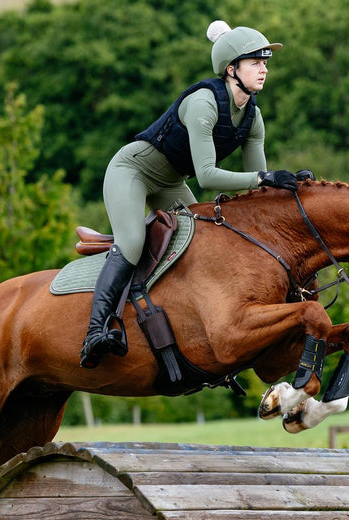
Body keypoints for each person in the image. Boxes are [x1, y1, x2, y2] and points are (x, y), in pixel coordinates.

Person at [79, 20, 303, 369]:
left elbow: (253, 186)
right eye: (255, 62)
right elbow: (209, 176)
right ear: (232, 70)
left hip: (169, 182)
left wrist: (287, 185)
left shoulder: (252, 118)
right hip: (132, 172)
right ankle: (95, 330)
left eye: (265, 62)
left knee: (205, 240)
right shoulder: (204, 104)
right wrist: (265, 177)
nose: (264, 69)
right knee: (134, 241)